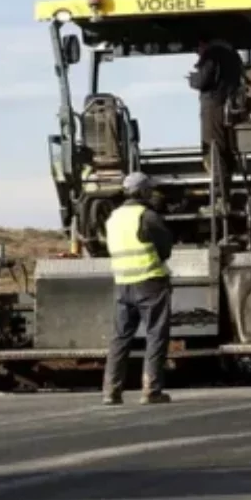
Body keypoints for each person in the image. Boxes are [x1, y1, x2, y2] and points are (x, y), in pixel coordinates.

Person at [102, 172, 175, 405]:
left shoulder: (113, 218)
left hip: (123, 284)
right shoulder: (147, 216)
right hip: (150, 283)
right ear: (143, 192)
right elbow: (165, 249)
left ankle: (110, 392)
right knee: (155, 335)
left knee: (120, 338)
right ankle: (151, 390)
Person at [187, 39, 244, 212]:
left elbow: (203, 81)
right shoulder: (233, 55)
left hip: (213, 107)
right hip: (229, 107)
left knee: (214, 151)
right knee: (226, 151)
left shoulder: (211, 55)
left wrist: (193, 79)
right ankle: (225, 196)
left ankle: (221, 201)